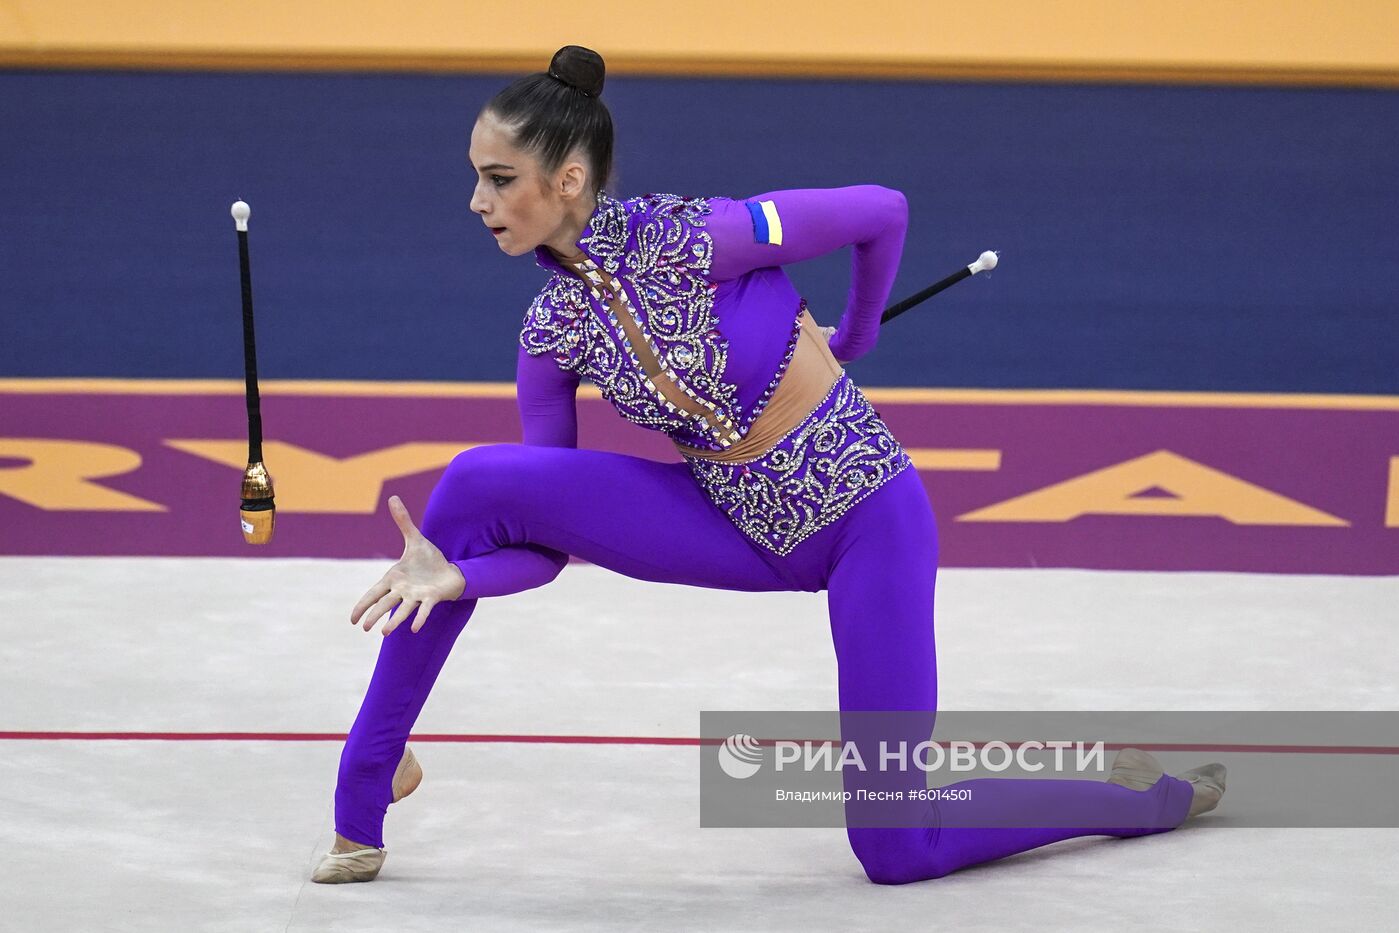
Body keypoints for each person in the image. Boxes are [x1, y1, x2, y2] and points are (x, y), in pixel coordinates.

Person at [311, 45, 1226, 886]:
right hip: (733, 525)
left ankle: (1138, 798)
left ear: (570, 179)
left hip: (867, 523)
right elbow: (542, 544)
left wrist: (859, 331)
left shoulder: (697, 238)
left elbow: (882, 211)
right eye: (477, 178)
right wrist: (459, 573)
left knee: (897, 849)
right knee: (480, 484)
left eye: (499, 179)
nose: (477, 201)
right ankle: (369, 783)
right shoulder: (551, 334)